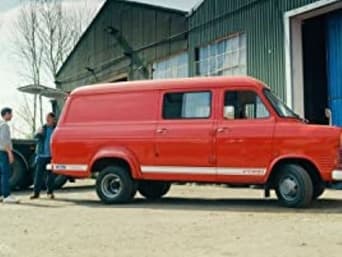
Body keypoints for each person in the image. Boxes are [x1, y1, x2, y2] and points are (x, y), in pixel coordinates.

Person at [30, 112, 57, 199]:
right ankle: (36, 193)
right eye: (46, 118)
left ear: (53, 119)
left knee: (51, 176)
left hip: (51, 156)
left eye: (49, 118)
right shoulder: (43, 127)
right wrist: (38, 133)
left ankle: (50, 192)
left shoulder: (56, 128)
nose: (47, 119)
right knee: (38, 175)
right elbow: (35, 136)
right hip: (41, 155)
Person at [0, 107, 19, 203]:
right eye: (11, 114)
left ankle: (1, 194)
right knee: (5, 174)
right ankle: (6, 195)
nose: (12, 116)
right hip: (3, 152)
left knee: (1, 174)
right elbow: (3, 140)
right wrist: (9, 153)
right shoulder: (4, 125)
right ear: (6, 114)